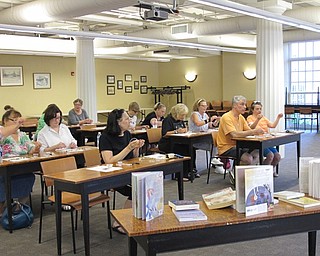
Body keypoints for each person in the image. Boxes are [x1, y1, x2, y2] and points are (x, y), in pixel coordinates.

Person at [99, 108, 144, 234]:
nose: (129, 120)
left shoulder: (127, 134)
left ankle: (134, 217)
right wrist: (128, 147)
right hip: (111, 174)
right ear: (118, 122)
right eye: (126, 119)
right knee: (136, 190)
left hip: (127, 170)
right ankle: (118, 222)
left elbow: (133, 158)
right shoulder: (105, 137)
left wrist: (136, 148)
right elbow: (109, 161)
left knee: (145, 185)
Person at [0, 109, 40, 216]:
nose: (17, 123)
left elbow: (30, 149)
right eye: (14, 120)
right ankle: (3, 207)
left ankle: (19, 206)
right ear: (4, 121)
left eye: (19, 121)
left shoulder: (22, 135)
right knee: (4, 180)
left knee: (29, 177)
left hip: (21, 167)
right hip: (4, 168)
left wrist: (36, 147)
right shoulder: (3, 134)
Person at [217, 95, 264, 174]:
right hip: (226, 147)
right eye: (242, 104)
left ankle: (242, 174)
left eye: (245, 104)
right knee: (248, 159)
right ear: (234, 105)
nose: (245, 107)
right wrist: (253, 132)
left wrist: (256, 132)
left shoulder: (241, 117)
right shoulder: (226, 117)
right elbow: (234, 134)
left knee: (258, 153)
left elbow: (248, 130)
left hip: (239, 144)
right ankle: (238, 174)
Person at [158, 103, 196, 181]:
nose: (183, 117)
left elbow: (183, 129)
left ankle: (191, 170)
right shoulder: (168, 120)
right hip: (167, 143)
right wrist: (176, 131)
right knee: (182, 151)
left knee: (191, 148)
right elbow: (165, 134)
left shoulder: (180, 120)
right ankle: (180, 175)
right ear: (177, 113)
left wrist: (185, 130)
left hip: (179, 142)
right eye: (182, 115)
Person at [247, 101, 283, 177]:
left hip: (266, 140)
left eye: (260, 109)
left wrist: (278, 118)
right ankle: (263, 173)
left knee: (277, 157)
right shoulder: (250, 118)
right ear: (253, 110)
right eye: (257, 109)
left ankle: (270, 170)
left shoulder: (263, 118)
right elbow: (251, 128)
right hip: (258, 141)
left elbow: (272, 125)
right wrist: (257, 120)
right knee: (270, 155)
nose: (259, 110)